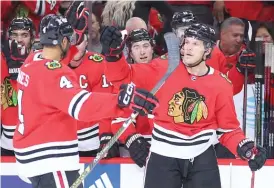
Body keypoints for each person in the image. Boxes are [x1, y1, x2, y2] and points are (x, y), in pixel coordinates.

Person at [101, 23, 267, 188]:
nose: (188, 48)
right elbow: (123, 76)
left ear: (208, 50)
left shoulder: (221, 83)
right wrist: (113, 56)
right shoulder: (163, 68)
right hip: (163, 156)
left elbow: (228, 130)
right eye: (186, 42)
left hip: (202, 158)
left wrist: (245, 147)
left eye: (195, 44)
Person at [12, 12, 158, 188]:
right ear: (64, 42)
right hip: (51, 162)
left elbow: (60, 55)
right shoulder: (54, 73)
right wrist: (122, 100)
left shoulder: (31, 61)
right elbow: (83, 106)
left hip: (30, 157)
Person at [1, 17, 35, 156]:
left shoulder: (41, 61)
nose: (19, 40)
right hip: (7, 145)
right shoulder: (1, 60)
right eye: (15, 35)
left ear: (32, 38)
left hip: (35, 145)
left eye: (24, 35)